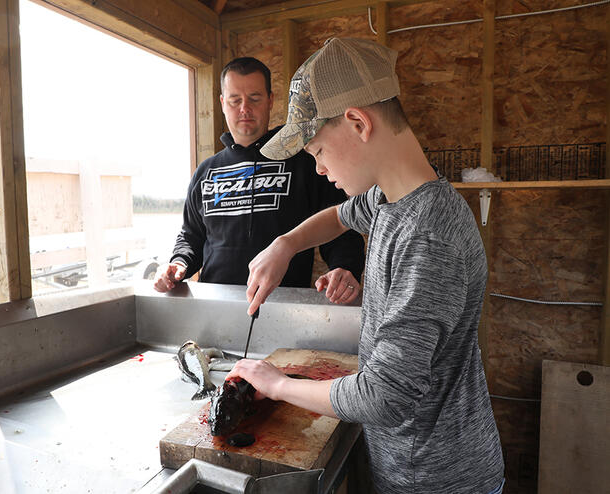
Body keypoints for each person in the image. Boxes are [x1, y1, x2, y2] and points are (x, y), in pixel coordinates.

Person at [231, 39, 505, 494]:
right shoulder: (391, 198)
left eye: (317, 150)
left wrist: (276, 385)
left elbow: (385, 396)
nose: (318, 169)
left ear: (358, 123)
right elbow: (339, 216)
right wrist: (285, 244)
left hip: (437, 479)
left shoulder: (427, 235)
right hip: (409, 464)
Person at [153, 57, 364, 302]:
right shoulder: (205, 172)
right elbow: (191, 236)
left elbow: (340, 224)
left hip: (285, 305)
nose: (244, 109)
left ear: (270, 101)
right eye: (235, 101)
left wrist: (344, 267)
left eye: (254, 99)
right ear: (222, 103)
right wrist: (179, 264)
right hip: (215, 306)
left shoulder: (305, 164)